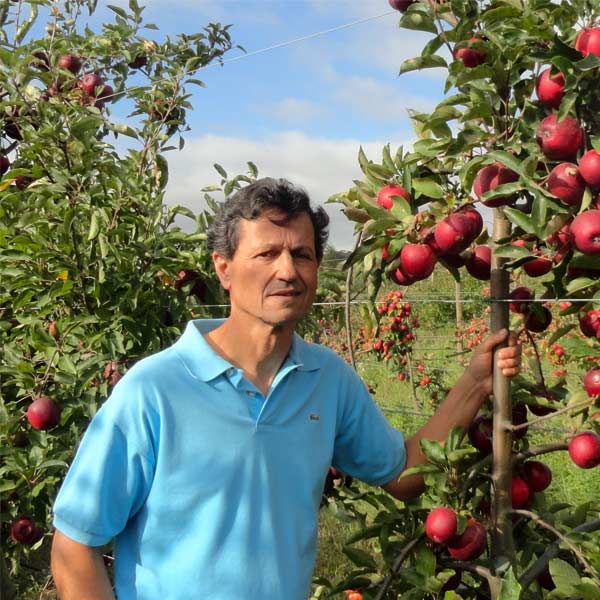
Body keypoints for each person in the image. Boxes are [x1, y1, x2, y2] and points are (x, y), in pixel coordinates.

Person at [50, 177, 521, 600]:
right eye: (266, 254)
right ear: (224, 269)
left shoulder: (327, 379)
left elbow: (403, 475)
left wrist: (475, 382)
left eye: (301, 255)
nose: (288, 271)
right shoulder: (155, 389)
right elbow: (74, 545)